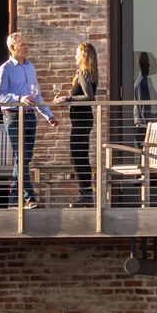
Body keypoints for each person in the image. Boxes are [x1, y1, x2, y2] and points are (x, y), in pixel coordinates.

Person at [0, 31, 54, 206]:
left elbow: (37, 96)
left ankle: (13, 200)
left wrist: (49, 116)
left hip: (30, 116)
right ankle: (29, 197)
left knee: (25, 158)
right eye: (22, 45)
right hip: (13, 116)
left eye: (27, 44)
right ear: (13, 48)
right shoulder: (5, 69)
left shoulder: (30, 67)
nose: (26, 47)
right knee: (21, 155)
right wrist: (18, 99)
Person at [59, 41, 99, 204]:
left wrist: (68, 98)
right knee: (81, 155)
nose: (74, 56)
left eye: (77, 53)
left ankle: (85, 194)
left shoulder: (84, 72)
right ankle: (86, 193)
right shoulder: (89, 73)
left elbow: (89, 97)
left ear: (83, 55)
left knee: (77, 155)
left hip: (82, 120)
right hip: (83, 120)